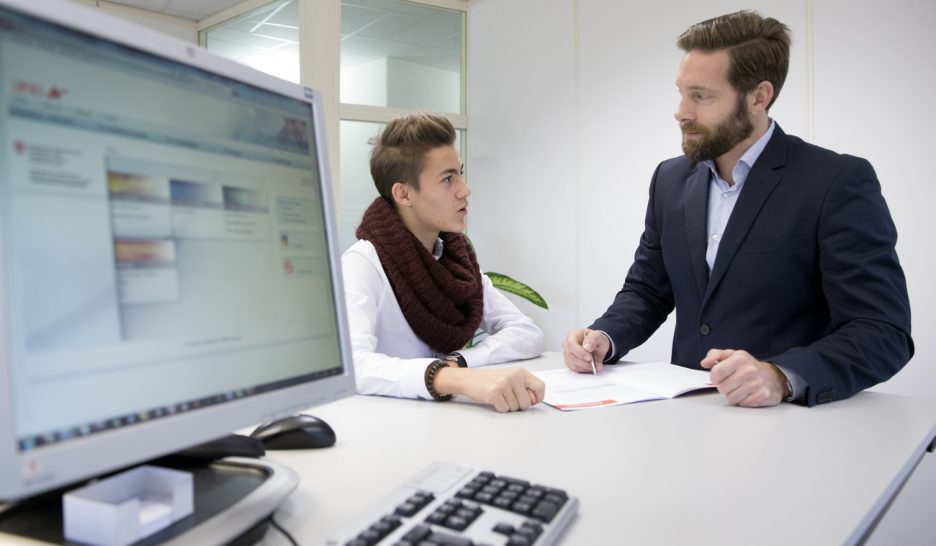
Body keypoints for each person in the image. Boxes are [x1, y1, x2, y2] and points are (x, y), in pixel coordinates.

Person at [563, 11, 913, 407]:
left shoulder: (835, 181)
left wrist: (780, 375)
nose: (681, 111)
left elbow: (881, 331)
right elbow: (647, 291)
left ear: (759, 97)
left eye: (701, 95)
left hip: (792, 426)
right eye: (681, 92)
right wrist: (604, 337)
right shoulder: (670, 180)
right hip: (686, 415)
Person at [342, 110, 546, 413]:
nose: (465, 189)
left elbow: (525, 332)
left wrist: (460, 363)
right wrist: (454, 379)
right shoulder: (363, 263)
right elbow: (353, 365)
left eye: (460, 173)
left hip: (445, 422)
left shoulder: (455, 260)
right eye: (448, 178)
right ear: (403, 194)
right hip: (386, 430)